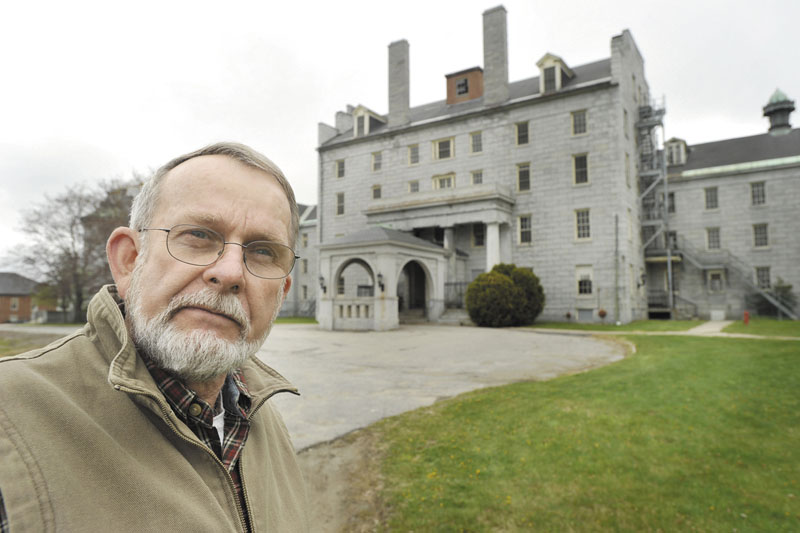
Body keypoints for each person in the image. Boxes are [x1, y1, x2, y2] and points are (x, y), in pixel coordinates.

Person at [0, 142, 309, 532]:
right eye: (198, 234)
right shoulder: (11, 419)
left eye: (263, 251)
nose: (231, 272)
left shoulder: (263, 415)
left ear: (280, 293)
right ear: (129, 260)